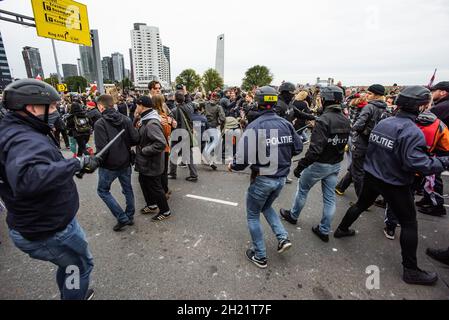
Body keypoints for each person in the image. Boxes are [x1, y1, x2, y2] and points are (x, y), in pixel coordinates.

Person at [334, 86, 449, 286]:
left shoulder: (385, 122)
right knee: (409, 223)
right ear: (420, 107)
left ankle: (342, 229)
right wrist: (444, 162)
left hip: (373, 174)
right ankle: (411, 269)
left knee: (360, 204)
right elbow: (417, 163)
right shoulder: (412, 131)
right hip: (394, 182)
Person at [0, 79, 99, 299]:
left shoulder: (14, 129)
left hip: (39, 222)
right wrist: (75, 164)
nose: (56, 111)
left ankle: (70, 293)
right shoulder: (23, 139)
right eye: (52, 107)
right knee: (79, 267)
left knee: (67, 265)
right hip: (49, 229)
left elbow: (40, 168)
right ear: (33, 107)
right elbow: (27, 179)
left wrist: (67, 168)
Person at [228, 86, 303, 269]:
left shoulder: (255, 126)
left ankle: (260, 255)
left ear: (258, 103)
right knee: (267, 206)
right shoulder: (286, 124)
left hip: (263, 179)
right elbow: (298, 148)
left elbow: (242, 160)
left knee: (253, 215)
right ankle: (282, 237)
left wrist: (232, 165)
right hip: (281, 179)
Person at [280, 86, 350, 242]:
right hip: (335, 164)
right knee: (329, 197)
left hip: (319, 164)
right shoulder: (346, 119)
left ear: (325, 100)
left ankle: (293, 215)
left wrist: (301, 166)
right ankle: (324, 230)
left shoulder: (323, 120)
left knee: (302, 189)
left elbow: (315, 150)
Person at [94, 94, 140, 232]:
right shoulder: (125, 119)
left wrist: (94, 160)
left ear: (101, 107)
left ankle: (122, 217)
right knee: (127, 188)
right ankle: (129, 215)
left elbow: (102, 150)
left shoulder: (100, 123)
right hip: (125, 161)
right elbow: (135, 139)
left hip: (109, 165)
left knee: (102, 190)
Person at [134, 96, 172, 221]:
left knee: (155, 187)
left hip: (151, 162)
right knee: (144, 182)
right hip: (146, 162)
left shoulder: (151, 123)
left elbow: (160, 143)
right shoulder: (145, 119)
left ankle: (165, 211)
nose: (136, 107)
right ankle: (151, 204)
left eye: (137, 105)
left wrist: (144, 150)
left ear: (141, 106)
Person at [416, 81, 449, 216]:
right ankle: (428, 198)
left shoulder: (442, 107)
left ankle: (437, 205)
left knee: (433, 176)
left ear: (443, 92)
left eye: (434, 91)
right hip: (441, 145)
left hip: (439, 147)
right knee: (431, 176)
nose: (432, 93)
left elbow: (429, 126)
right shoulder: (443, 105)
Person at [349, 84, 387, 197]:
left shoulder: (369, 107)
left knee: (358, 172)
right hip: (377, 143)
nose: (367, 95)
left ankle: (361, 200)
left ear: (376, 95)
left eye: (370, 93)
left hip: (363, 141)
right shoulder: (385, 108)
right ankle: (341, 187)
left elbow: (359, 124)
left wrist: (353, 130)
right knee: (363, 169)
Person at [169, 91, 199, 182]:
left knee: (173, 154)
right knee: (189, 156)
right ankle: (194, 175)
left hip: (177, 134)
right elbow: (189, 100)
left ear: (175, 99)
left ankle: (172, 173)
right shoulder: (190, 107)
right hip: (187, 133)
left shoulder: (173, 111)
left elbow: (171, 124)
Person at [152, 94, 177, 198]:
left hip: (157, 146)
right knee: (163, 170)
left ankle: (164, 191)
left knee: (159, 171)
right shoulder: (162, 116)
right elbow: (168, 132)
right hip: (164, 146)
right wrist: (171, 124)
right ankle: (164, 190)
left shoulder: (154, 115)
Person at [204, 92, 226, 170]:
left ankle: (207, 158)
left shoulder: (206, 104)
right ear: (218, 98)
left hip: (206, 126)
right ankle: (208, 157)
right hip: (214, 126)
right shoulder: (218, 107)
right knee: (215, 142)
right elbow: (223, 118)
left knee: (207, 143)